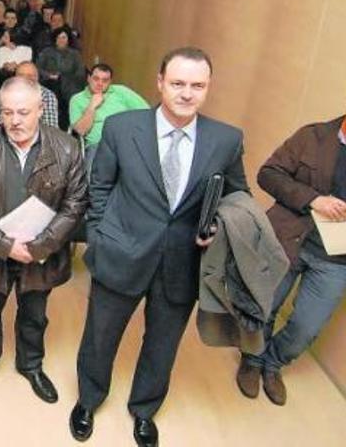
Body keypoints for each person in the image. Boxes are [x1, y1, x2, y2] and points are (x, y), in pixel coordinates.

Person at [70, 47, 248, 447]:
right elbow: (98, 188)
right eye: (178, 83)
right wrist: (100, 236)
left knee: (163, 343)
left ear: (208, 88)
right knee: (100, 335)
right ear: (160, 83)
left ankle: (145, 410)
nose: (187, 93)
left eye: (197, 85)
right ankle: (88, 400)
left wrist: (216, 226)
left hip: (182, 260)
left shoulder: (226, 139)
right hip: (121, 251)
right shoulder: (120, 126)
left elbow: (238, 196)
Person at [0, 76, 87, 403]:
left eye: (23, 112)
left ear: (40, 110)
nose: (14, 120)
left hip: (40, 255)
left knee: (34, 315)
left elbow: (75, 205)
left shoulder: (67, 147)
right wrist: (3, 244)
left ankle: (31, 365)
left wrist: (39, 246)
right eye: (7, 112)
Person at [235, 114, 346, 406]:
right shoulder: (313, 136)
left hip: (337, 259)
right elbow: (268, 174)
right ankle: (252, 359)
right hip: (287, 239)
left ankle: (273, 364)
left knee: (306, 327)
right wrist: (313, 199)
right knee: (263, 307)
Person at [70, 63, 149, 171]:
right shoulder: (77, 99)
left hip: (126, 143)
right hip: (98, 145)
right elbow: (80, 131)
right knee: (93, 179)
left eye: (105, 80)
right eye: (96, 79)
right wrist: (92, 106)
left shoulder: (121, 91)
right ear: (89, 78)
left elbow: (146, 112)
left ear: (110, 82)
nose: (100, 83)